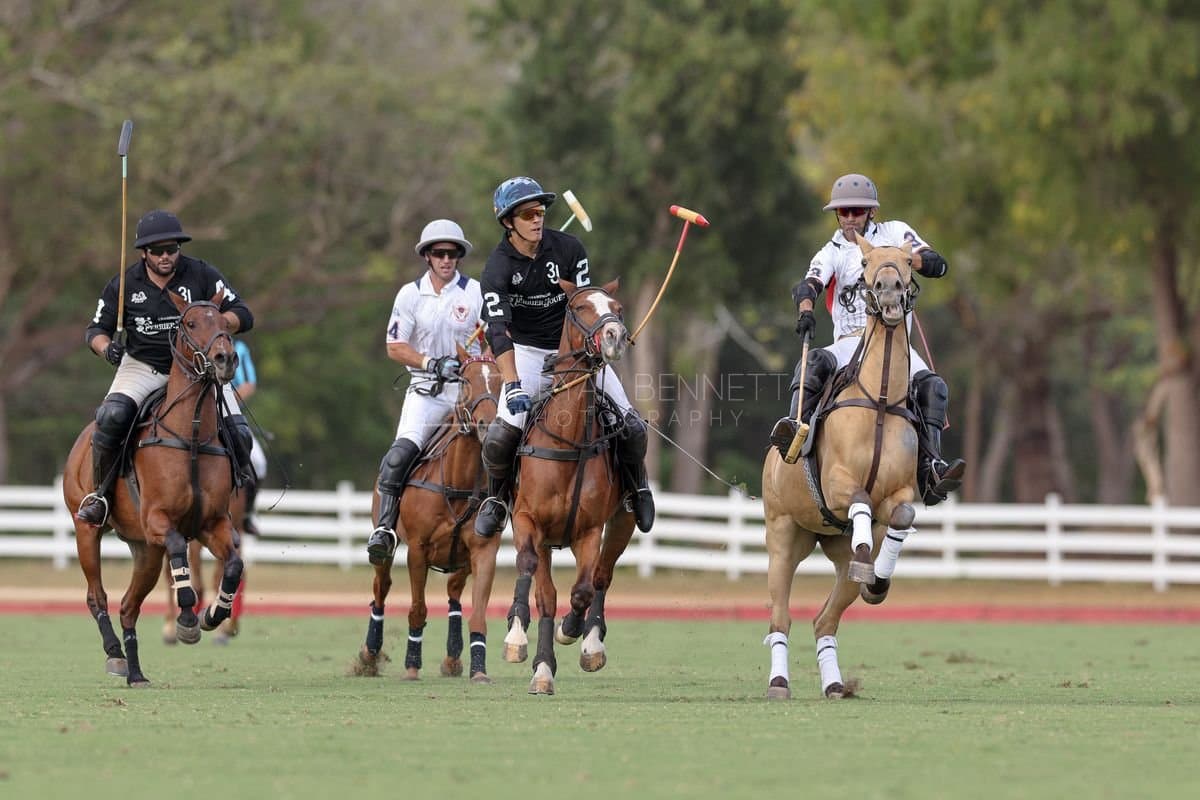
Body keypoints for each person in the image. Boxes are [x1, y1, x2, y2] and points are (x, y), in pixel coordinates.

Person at [472, 176, 654, 538]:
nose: (537, 219)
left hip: (574, 351)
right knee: (501, 435)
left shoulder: (570, 249)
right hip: (525, 353)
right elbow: (497, 333)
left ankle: (638, 489)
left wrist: (601, 340)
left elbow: (586, 301)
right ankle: (496, 500)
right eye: (526, 214)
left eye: (539, 211)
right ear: (508, 222)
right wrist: (512, 384)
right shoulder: (497, 269)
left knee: (632, 424)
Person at [768, 173, 966, 505]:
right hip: (850, 341)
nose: (849, 218)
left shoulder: (895, 233)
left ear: (870, 212)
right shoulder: (832, 250)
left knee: (934, 387)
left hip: (897, 344)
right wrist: (805, 310)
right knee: (813, 361)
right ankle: (794, 429)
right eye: (843, 212)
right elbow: (809, 284)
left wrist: (899, 259)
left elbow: (936, 263)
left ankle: (931, 467)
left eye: (857, 211)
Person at [75, 210, 255, 526]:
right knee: (111, 417)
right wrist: (108, 349)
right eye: (157, 251)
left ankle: (236, 492)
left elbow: (243, 312)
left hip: (196, 372)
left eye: (171, 249)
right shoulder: (125, 283)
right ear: (144, 252)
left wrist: (215, 322)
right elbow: (95, 331)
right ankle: (101, 496)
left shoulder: (201, 274)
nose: (165, 256)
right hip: (143, 365)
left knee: (240, 431)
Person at [365, 219, 485, 565]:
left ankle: (503, 515)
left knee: (501, 447)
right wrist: (432, 363)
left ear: (459, 256)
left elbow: (493, 338)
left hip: (468, 395)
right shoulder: (411, 294)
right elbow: (394, 346)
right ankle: (385, 528)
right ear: (427, 257)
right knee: (399, 455)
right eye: (439, 253)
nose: (446, 259)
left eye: (452, 253)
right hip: (427, 393)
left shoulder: (476, 293)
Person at [231, 339, 267, 535]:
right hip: (196, 415)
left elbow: (248, 384)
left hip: (230, 413)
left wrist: (226, 399)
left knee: (259, 463)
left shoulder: (239, 348)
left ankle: (247, 513)